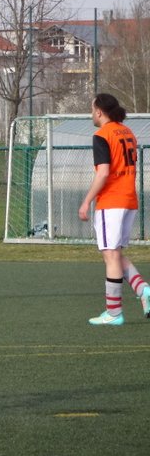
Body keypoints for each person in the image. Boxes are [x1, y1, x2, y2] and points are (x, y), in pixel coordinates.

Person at [78, 93, 150, 326]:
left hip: (111, 202)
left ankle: (114, 313)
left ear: (99, 111)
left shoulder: (102, 135)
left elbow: (103, 173)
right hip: (129, 200)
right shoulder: (127, 132)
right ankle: (143, 290)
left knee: (110, 255)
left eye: (92, 109)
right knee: (115, 254)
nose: (91, 114)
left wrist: (87, 201)